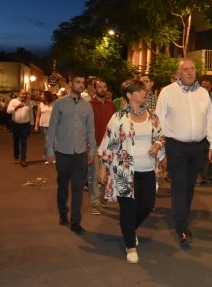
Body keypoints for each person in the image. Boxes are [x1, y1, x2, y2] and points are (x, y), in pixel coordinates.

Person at [98, 79, 165, 264]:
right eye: (139, 91)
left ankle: (129, 229)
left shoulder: (152, 116)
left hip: (148, 170)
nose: (144, 93)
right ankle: (130, 245)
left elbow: (161, 135)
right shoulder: (119, 117)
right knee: (128, 209)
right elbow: (109, 142)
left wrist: (158, 144)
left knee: (147, 205)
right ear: (129, 95)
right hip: (124, 172)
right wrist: (103, 167)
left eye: (144, 90)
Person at [155, 58, 212, 246]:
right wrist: (161, 151)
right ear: (178, 73)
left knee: (190, 187)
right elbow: (159, 122)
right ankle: (181, 226)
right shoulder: (167, 92)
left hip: (198, 148)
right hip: (176, 147)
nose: (191, 73)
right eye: (186, 70)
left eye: (193, 69)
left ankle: (182, 217)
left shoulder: (203, 93)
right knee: (179, 186)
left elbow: (210, 120)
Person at [46, 73, 96, 235]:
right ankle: (62, 212)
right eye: (78, 81)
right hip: (62, 153)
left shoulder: (87, 106)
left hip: (80, 153)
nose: (81, 85)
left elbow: (91, 131)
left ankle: (76, 221)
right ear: (70, 83)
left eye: (83, 82)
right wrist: (49, 151)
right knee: (62, 186)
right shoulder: (59, 104)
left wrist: (92, 150)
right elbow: (52, 129)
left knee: (77, 188)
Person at [89, 78, 116, 215]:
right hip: (95, 145)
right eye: (99, 87)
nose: (102, 89)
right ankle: (95, 202)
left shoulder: (112, 106)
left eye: (104, 86)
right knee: (94, 174)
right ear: (94, 89)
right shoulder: (89, 105)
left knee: (109, 172)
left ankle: (103, 196)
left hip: (110, 145)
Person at [6, 89, 34, 167]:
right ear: (19, 94)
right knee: (16, 141)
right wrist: (16, 107)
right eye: (23, 94)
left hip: (25, 125)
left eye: (25, 94)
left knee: (24, 142)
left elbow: (31, 114)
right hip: (15, 124)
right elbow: (8, 111)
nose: (24, 96)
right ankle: (16, 157)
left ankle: (23, 160)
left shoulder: (29, 103)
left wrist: (32, 125)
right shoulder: (13, 101)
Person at [34, 91, 54, 164]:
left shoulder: (53, 104)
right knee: (47, 141)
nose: (41, 96)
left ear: (46, 96)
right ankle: (47, 157)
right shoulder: (41, 104)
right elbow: (38, 115)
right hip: (43, 125)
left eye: (42, 95)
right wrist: (36, 125)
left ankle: (51, 156)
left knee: (52, 141)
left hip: (52, 125)